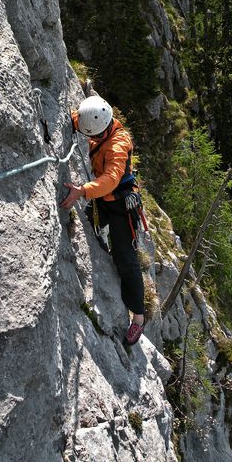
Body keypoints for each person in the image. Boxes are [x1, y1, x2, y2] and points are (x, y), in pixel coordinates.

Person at [60, 95, 145, 346]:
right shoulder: (97, 118)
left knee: (125, 259)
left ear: (105, 129)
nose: (91, 140)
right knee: (86, 223)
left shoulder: (118, 145)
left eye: (94, 137)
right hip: (102, 199)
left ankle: (138, 318)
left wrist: (83, 190)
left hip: (120, 205)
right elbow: (78, 119)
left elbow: (110, 179)